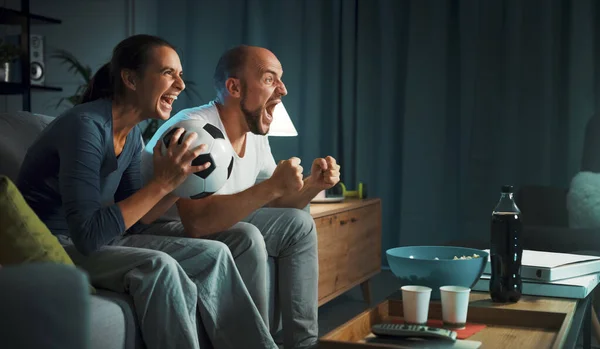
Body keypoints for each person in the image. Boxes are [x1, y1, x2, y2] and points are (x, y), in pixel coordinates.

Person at [17, 35, 278, 349]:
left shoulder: (131, 136)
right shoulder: (85, 127)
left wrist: (179, 182)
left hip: (101, 237)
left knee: (215, 253)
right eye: (169, 73)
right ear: (130, 78)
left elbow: (137, 223)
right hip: (58, 242)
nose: (180, 85)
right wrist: (163, 183)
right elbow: (87, 235)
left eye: (180, 75)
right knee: (160, 267)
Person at [140, 45, 341, 349]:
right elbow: (196, 222)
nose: (283, 90)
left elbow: (276, 203)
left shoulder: (255, 135)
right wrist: (272, 186)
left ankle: (304, 344)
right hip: (158, 229)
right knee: (247, 234)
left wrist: (312, 185)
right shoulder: (194, 129)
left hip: (211, 224)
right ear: (234, 87)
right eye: (271, 79)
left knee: (299, 225)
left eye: (281, 80)